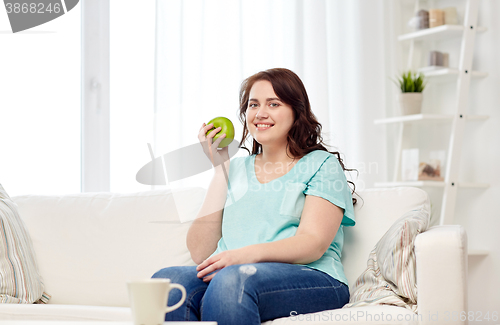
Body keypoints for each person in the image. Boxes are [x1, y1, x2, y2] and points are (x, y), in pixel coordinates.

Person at [152, 68, 360, 325]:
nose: (260, 113)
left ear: (297, 112)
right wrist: (221, 170)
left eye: (273, 104)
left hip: (313, 276)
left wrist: (243, 256)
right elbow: (200, 252)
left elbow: (313, 243)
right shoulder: (235, 168)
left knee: (232, 281)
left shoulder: (321, 164)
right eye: (253, 104)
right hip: (235, 274)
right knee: (167, 282)